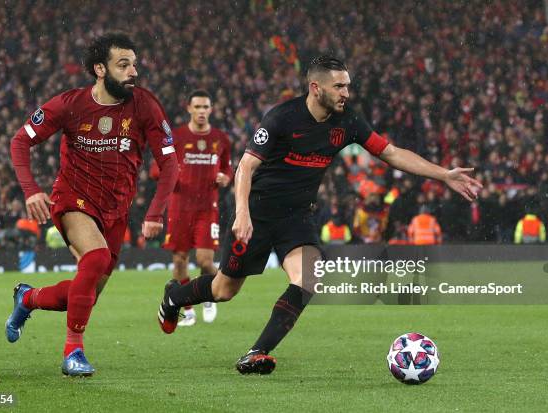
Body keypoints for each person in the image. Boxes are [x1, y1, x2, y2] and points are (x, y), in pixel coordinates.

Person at [156, 55, 481, 375]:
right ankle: (173, 298)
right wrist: (243, 214)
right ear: (315, 87)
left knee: (309, 277)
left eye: (348, 86)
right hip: (258, 213)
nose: (346, 93)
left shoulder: (349, 121)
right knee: (224, 290)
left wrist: (444, 175)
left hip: (297, 217)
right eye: (339, 86)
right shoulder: (283, 117)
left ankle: (257, 353)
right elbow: (246, 166)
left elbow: (391, 153)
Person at [6, 33, 178, 376]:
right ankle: (73, 352)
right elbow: (20, 141)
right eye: (123, 65)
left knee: (85, 295)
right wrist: (31, 190)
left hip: (116, 209)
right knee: (96, 258)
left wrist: (156, 211)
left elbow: (171, 163)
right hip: (73, 198)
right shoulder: (69, 104)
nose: (133, 72)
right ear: (100, 69)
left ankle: (28, 298)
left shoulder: (145, 105)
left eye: (134, 64)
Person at [162, 90, 232, 326]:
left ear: (211, 109)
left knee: (204, 260)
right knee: (180, 260)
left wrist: (226, 177)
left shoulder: (221, 138)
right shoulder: (177, 136)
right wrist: (171, 176)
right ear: (189, 108)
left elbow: (227, 169)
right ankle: (187, 310)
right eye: (198, 107)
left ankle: (210, 294)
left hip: (206, 209)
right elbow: (160, 167)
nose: (202, 111)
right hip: (179, 208)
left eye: (206, 107)